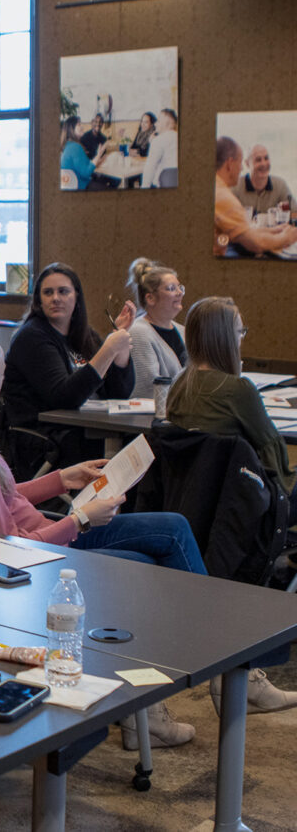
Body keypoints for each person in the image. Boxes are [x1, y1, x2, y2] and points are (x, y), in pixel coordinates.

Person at [0, 332, 205, 748]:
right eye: (0, 375)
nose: (4, 384)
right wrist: (80, 519)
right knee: (161, 544)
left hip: (47, 536)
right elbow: (7, 545)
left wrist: (62, 479)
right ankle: (221, 674)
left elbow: (3, 499)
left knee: (168, 532)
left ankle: (153, 708)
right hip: (44, 553)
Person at [166, 297, 297, 715]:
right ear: (226, 337)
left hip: (198, 514)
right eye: (240, 331)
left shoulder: (178, 389)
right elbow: (276, 457)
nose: (242, 339)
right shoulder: (238, 390)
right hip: (246, 517)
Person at [0, 262, 134, 477]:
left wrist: (120, 349)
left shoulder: (84, 335)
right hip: (43, 440)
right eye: (48, 292)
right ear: (38, 300)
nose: (55, 298)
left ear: (76, 298)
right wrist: (108, 350)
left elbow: (119, 393)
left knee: (136, 443)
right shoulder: (32, 337)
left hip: (80, 430)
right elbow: (64, 397)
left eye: (63, 291)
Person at [214, 136, 297, 256]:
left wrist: (275, 230)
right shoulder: (225, 196)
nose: (241, 168)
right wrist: (286, 238)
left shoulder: (216, 187)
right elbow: (255, 243)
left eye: (266, 158)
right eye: (258, 160)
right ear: (230, 164)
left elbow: (244, 231)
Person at [125, 257, 187, 398]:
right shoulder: (138, 332)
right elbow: (148, 389)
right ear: (150, 298)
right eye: (171, 288)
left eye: (180, 287)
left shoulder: (183, 331)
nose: (179, 293)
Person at [231, 143, 294, 218]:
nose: (264, 163)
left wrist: (284, 213)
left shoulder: (280, 185)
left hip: (274, 229)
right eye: (258, 160)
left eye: (266, 158)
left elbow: (294, 213)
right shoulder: (235, 187)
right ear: (247, 163)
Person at [60, 116, 114, 191]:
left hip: (75, 184)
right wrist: (99, 154)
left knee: (110, 182)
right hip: (80, 186)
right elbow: (86, 173)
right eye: (79, 125)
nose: (82, 127)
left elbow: (87, 164)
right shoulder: (75, 147)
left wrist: (101, 158)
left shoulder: (69, 145)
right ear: (71, 129)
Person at [140, 108, 178, 188]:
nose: (155, 124)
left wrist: (144, 188)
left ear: (167, 124)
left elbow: (150, 168)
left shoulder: (158, 140)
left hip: (163, 184)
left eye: (158, 121)